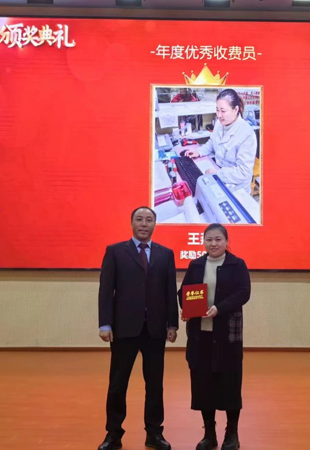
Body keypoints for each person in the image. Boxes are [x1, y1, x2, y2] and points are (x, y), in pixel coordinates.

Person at [97, 206, 178, 450]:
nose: (144, 224)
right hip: (124, 329)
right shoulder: (115, 251)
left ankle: (154, 433)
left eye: (149, 220)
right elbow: (106, 290)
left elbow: (169, 291)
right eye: (139, 219)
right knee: (117, 384)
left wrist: (172, 324)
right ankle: (113, 434)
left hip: (155, 330)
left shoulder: (166, 254)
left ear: (155, 224)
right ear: (131, 223)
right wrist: (105, 323)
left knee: (155, 385)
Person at [178, 224, 251, 450]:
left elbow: (243, 293)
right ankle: (209, 434)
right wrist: (186, 308)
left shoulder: (237, 264)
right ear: (203, 242)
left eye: (218, 239)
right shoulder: (196, 265)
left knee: (230, 384)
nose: (213, 243)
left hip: (227, 335)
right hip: (201, 337)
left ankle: (232, 433)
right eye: (209, 239)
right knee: (203, 386)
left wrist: (219, 308)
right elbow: (183, 292)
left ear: (226, 241)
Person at [184, 89, 257, 194]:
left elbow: (243, 172)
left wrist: (218, 173)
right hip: (218, 173)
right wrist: (199, 152)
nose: (219, 115)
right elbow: (212, 142)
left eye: (223, 111)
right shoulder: (220, 123)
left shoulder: (247, 134)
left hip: (236, 187)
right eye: (217, 110)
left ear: (235, 109)